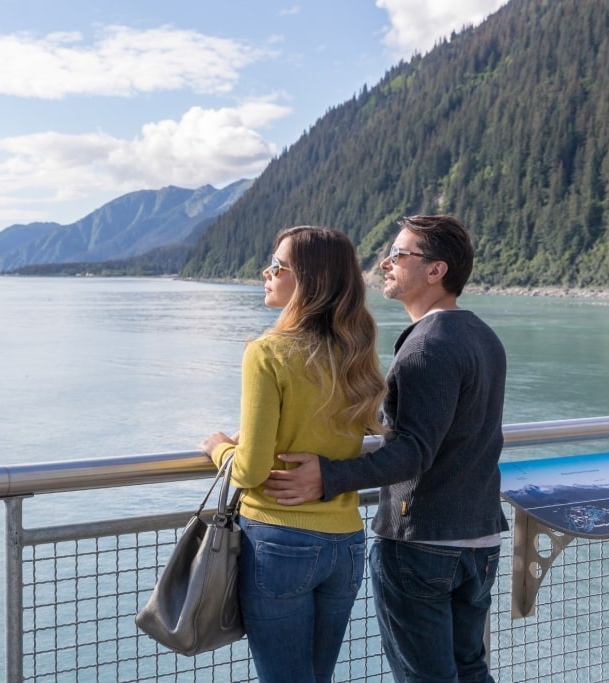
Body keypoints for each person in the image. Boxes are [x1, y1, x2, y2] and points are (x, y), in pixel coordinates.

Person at [262, 214, 508, 683]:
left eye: (399, 255)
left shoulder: (426, 348)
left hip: (424, 544)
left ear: (436, 271)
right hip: (479, 538)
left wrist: (328, 476)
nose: (386, 263)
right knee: (470, 669)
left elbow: (414, 451)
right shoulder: (482, 336)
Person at [199, 225, 387, 683]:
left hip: (279, 542)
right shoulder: (355, 353)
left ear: (308, 280)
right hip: (345, 542)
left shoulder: (267, 352)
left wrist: (219, 446)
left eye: (277, 266)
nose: (267, 272)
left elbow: (250, 470)